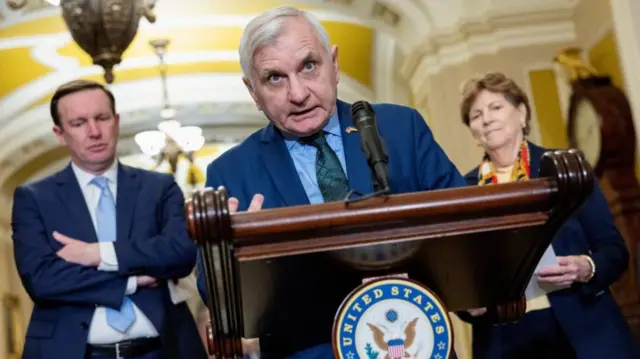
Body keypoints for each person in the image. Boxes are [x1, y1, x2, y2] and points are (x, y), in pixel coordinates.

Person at [196, 5, 466, 359]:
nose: (298, 93)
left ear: (334, 63)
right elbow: (215, 295)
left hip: (415, 342)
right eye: (275, 78)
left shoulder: (401, 129)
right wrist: (234, 255)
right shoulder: (230, 173)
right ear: (252, 91)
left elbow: (465, 234)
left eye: (309, 66)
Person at [11, 80, 207, 359]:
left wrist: (98, 254)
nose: (94, 132)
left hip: (163, 350)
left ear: (115, 121)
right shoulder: (34, 198)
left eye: (101, 118)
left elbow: (180, 254)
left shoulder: (159, 187)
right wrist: (133, 281)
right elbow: (42, 279)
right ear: (59, 133)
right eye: (79, 123)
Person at [457, 72, 639, 359]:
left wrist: (586, 266)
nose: (486, 119)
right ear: (472, 130)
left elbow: (614, 251)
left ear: (522, 113)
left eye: (495, 107)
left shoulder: (569, 170)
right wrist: (468, 305)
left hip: (583, 330)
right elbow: (459, 275)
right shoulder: (462, 191)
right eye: (476, 114)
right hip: (506, 340)